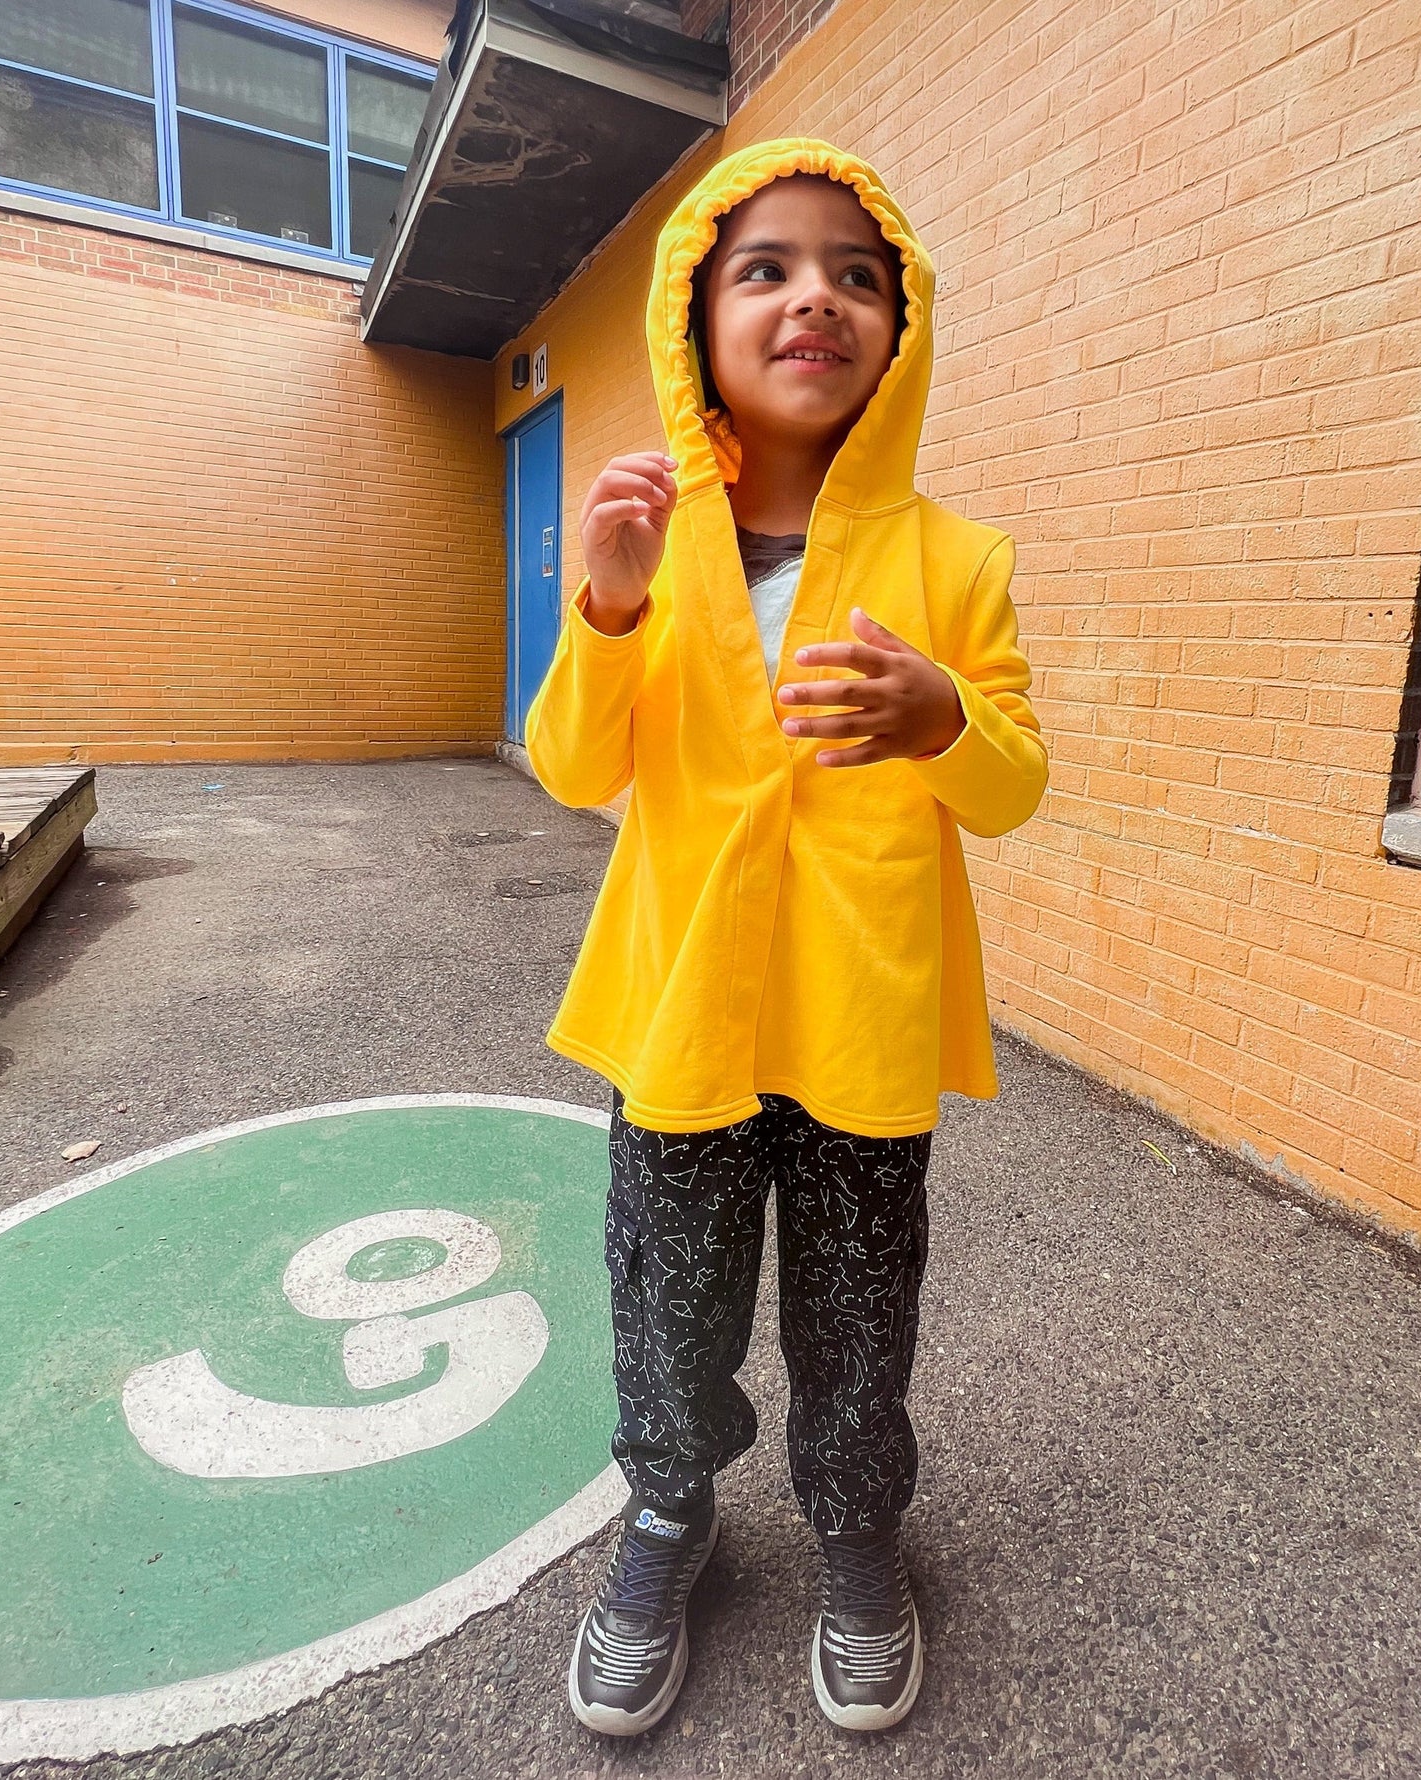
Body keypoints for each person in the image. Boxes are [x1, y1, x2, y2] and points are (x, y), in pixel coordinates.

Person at [525, 138, 1047, 1737]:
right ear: (698, 319)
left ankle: (857, 1532)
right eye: (767, 266)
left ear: (902, 328)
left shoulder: (955, 561)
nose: (816, 292)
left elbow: (1015, 784)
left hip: (863, 1027)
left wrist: (943, 712)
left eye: (855, 270)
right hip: (686, 1017)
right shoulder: (649, 531)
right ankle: (670, 1514)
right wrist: (605, 611)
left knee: (858, 1319)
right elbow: (575, 767)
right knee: (669, 1310)